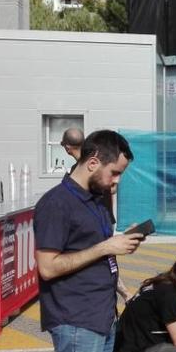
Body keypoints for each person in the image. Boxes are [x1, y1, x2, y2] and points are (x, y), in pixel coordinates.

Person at [35, 130, 144, 352]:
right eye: (114, 173)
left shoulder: (96, 200)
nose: (116, 181)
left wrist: (119, 247)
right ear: (93, 163)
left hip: (102, 316)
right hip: (76, 320)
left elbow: (97, 252)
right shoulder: (56, 203)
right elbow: (47, 267)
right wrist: (106, 247)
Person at [62, 126, 130, 302]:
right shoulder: (88, 168)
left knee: (103, 257)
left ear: (67, 147)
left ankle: (122, 293)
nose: (115, 179)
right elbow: (113, 190)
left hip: (97, 219)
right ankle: (122, 293)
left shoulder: (82, 171)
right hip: (105, 216)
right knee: (106, 258)